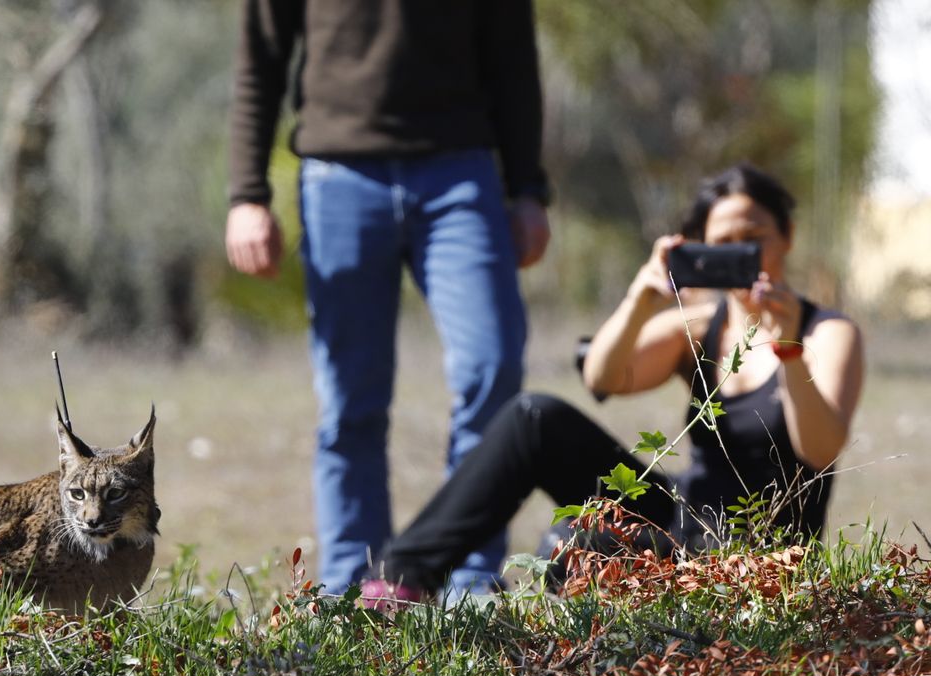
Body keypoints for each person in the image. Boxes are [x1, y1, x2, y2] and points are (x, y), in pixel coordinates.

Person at [364, 163, 866, 605]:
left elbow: (819, 451)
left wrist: (788, 346)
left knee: (580, 540)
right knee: (534, 418)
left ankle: (553, 625)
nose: (741, 254)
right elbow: (602, 376)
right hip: (683, 522)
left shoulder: (827, 332)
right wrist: (641, 300)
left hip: (760, 556)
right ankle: (398, 584)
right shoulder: (697, 326)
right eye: (723, 244)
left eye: (754, 239)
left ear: (788, 236)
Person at [225, 0, 553, 600]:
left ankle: (468, 579)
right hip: (339, 177)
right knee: (351, 396)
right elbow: (260, 60)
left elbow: (512, 57)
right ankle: (352, 589)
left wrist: (528, 187)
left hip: (460, 175)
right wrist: (248, 194)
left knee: (493, 365)